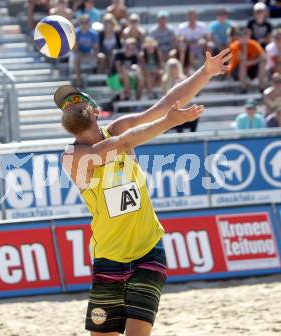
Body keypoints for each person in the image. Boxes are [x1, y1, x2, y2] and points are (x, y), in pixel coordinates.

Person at [55, 48, 231, 336]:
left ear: (95, 111)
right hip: (109, 256)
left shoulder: (118, 127)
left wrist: (205, 73)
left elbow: (165, 105)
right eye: (65, 105)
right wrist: (167, 123)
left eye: (76, 99)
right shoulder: (72, 157)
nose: (70, 104)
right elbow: (118, 146)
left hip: (149, 249)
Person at [227, 27, 266, 93]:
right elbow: (243, 59)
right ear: (238, 36)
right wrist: (244, 46)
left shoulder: (254, 43)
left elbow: (263, 57)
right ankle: (243, 88)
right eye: (242, 35)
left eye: (246, 34)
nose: (244, 37)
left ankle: (261, 88)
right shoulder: (234, 46)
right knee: (243, 64)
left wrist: (252, 62)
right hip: (235, 71)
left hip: (249, 69)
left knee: (262, 62)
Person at [71, 15, 98, 87]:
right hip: (79, 53)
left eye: (86, 22)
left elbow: (96, 50)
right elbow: (74, 50)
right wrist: (83, 55)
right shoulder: (75, 33)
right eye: (82, 22)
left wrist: (91, 55)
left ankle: (98, 79)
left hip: (89, 53)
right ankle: (79, 81)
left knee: (101, 57)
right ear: (79, 23)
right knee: (76, 59)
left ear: (89, 23)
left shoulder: (94, 34)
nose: (84, 24)